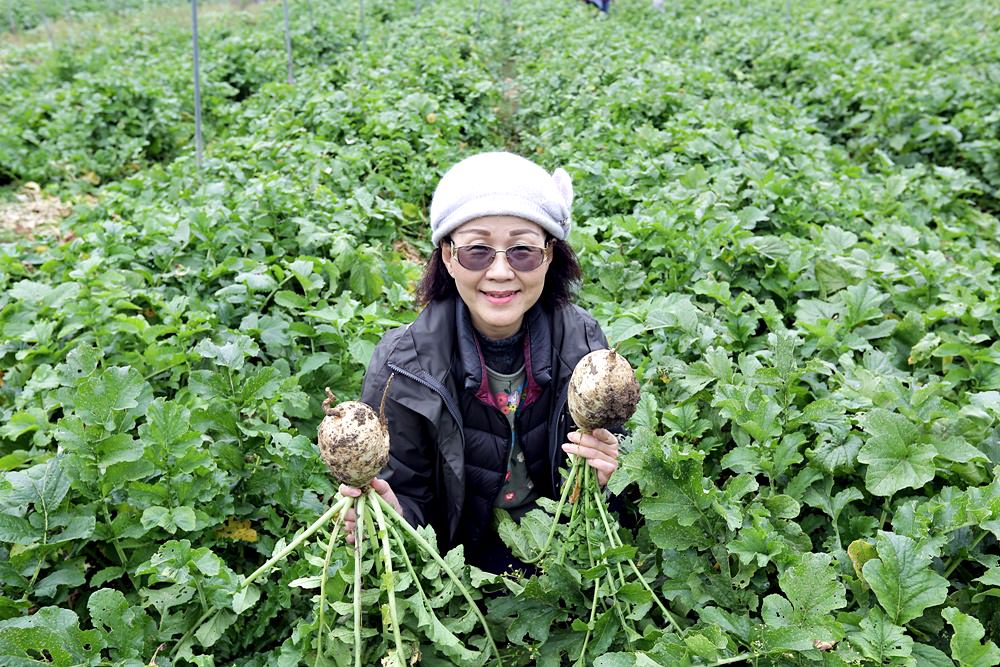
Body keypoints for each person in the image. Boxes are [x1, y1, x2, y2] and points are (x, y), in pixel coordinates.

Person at [339, 151, 620, 574]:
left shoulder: (583, 342)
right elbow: (407, 496)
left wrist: (608, 473)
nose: (501, 272)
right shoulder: (402, 365)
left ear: (550, 255)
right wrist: (391, 512)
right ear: (448, 258)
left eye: (523, 250)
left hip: (563, 556)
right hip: (455, 571)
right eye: (478, 251)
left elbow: (620, 450)